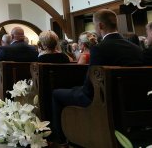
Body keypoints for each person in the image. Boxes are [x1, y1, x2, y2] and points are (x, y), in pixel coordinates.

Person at [51, 9, 144, 145]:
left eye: (95, 25)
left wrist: (79, 89)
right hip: (133, 98)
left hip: (104, 100)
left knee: (56, 94)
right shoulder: (136, 48)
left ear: (100, 26)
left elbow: (89, 88)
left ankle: (60, 140)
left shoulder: (100, 49)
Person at [0, 27, 38, 118]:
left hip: (6, 83)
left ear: (12, 36)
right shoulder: (33, 50)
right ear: (23, 36)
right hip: (26, 83)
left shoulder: (4, 49)